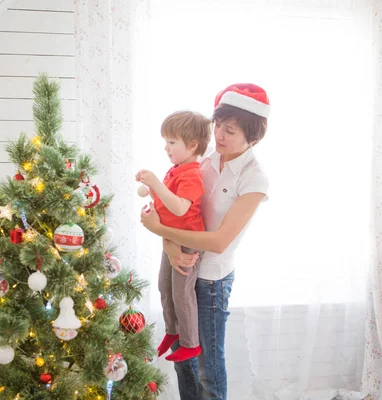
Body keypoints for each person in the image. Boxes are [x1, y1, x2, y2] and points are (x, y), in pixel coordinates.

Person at [140, 83, 270, 400]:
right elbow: (178, 215)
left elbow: (219, 241)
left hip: (211, 280)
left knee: (208, 366)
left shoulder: (255, 179)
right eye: (218, 127)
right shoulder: (206, 158)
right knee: (184, 361)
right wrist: (170, 246)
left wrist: (160, 232)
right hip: (183, 262)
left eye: (231, 131)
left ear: (252, 138)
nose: (220, 136)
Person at [136, 110, 212, 363]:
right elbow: (167, 204)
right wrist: (151, 192)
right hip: (170, 238)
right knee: (164, 287)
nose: (166, 147)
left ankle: (191, 343)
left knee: (182, 293)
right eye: (166, 141)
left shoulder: (192, 174)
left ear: (192, 145)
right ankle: (172, 331)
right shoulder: (175, 171)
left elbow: (180, 208)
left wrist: (156, 185)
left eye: (171, 142)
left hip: (187, 242)